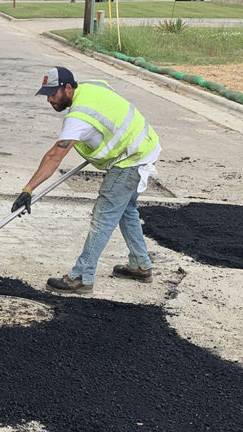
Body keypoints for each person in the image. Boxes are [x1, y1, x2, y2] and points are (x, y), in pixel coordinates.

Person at [11, 66, 161, 294]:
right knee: (127, 211)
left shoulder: (79, 117)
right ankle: (141, 265)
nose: (49, 100)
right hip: (145, 147)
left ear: (68, 88)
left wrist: (28, 189)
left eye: (53, 94)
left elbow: (54, 156)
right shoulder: (93, 86)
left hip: (130, 160)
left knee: (103, 215)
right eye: (47, 95)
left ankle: (81, 276)